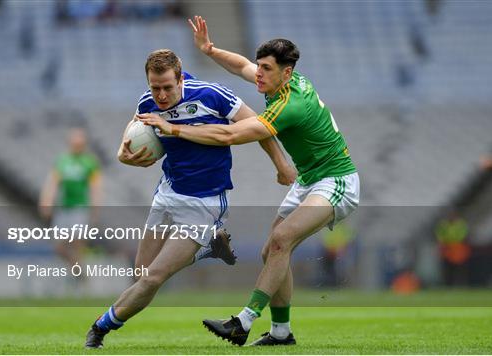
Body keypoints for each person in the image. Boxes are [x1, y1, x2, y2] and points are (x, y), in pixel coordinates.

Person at [140, 17, 360, 346]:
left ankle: (243, 321)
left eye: (266, 68)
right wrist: (211, 51)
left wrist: (173, 129)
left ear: (286, 72)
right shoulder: (282, 82)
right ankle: (282, 333)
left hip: (336, 179)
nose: (259, 73)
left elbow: (230, 134)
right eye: (260, 66)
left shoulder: (290, 106)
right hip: (309, 180)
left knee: (281, 240)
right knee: (271, 251)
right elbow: (241, 66)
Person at [84, 49, 295, 348]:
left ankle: (99, 328)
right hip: (168, 194)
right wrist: (123, 155)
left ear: (181, 78)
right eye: (155, 87)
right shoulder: (148, 100)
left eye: (168, 87)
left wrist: (282, 165)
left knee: (154, 277)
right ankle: (208, 248)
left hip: (204, 202)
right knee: (142, 275)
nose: (161, 95)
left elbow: (259, 128)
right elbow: (130, 135)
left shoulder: (211, 95)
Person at [39, 127, 102, 268]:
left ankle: (80, 278)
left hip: (80, 208)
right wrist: (47, 201)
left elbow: (95, 187)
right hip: (64, 208)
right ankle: (78, 270)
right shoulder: (62, 160)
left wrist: (95, 209)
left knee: (77, 244)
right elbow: (53, 183)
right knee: (59, 247)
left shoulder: (90, 162)